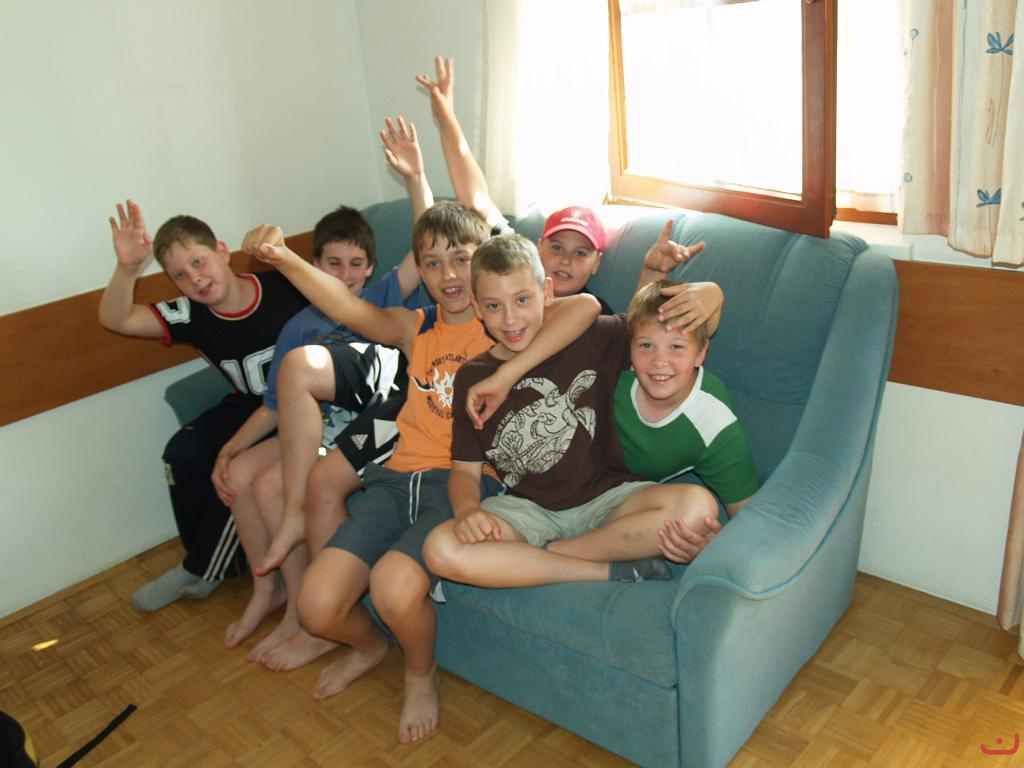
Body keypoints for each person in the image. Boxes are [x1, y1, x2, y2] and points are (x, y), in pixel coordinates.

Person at [244, 203, 597, 744]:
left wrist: (511, 371)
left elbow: (585, 307)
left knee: (393, 588)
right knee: (317, 609)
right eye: (432, 264)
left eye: (461, 259)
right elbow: (346, 305)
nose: (448, 275)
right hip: (394, 480)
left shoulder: (502, 323)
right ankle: (370, 646)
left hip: (461, 482)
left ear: (483, 264)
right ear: (420, 272)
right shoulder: (416, 326)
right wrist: (285, 260)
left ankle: (419, 672)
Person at [209, 119, 426, 671]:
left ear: (370, 267)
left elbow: (425, 246)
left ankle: (306, 612)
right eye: (333, 264)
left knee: (271, 483)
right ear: (314, 266)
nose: (346, 275)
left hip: (357, 428)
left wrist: (415, 178)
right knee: (240, 475)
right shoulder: (300, 326)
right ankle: (275, 594)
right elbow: (274, 406)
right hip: (313, 425)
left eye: (356, 264)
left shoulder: (385, 295)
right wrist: (230, 447)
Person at [422, 234, 724, 595]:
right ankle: (606, 570)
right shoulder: (472, 377)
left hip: (608, 499)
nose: (510, 318)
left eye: (522, 299)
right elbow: (465, 470)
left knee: (698, 507)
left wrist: (713, 293)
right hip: (528, 509)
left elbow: (642, 322)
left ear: (547, 293)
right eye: (493, 305)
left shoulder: (590, 338)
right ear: (476, 307)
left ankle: (547, 555)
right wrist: (467, 511)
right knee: (440, 549)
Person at [100, 200, 306, 613]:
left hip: (297, 407)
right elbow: (116, 319)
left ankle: (200, 568)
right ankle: (209, 561)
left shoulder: (283, 287)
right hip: (246, 402)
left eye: (199, 261)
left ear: (222, 252)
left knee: (234, 469)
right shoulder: (190, 313)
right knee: (182, 453)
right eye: (179, 274)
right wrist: (126, 269)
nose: (194, 278)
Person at [415, 55, 707, 314]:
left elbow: (635, 335)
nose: (566, 260)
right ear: (537, 248)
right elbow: (476, 198)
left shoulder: (594, 311)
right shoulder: (516, 269)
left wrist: (653, 272)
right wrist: (445, 116)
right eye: (556, 247)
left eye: (581, 253)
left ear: (596, 263)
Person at [614, 278, 759, 539]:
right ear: (630, 346)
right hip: (566, 475)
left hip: (616, 502)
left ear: (701, 353)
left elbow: (748, 516)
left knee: (697, 512)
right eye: (646, 346)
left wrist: (710, 548)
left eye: (676, 347)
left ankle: (559, 553)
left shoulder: (711, 420)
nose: (659, 361)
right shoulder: (618, 367)